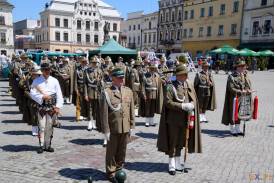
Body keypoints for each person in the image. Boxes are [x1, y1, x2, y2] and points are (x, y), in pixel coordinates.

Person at [157, 64, 202, 175]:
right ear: (178, 75)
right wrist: (182, 106)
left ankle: (178, 163)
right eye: (183, 74)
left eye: (186, 74)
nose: (186, 76)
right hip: (173, 120)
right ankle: (171, 164)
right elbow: (167, 103)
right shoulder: (170, 86)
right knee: (173, 142)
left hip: (185, 119)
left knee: (181, 142)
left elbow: (193, 98)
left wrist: (192, 104)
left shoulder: (187, 85)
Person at [99, 67, 135, 182]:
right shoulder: (107, 93)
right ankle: (110, 172)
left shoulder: (128, 91)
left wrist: (131, 126)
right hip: (113, 127)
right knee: (111, 151)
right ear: (113, 78)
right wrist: (106, 130)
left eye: (122, 77)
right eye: (119, 78)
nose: (122, 80)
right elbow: (103, 113)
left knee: (122, 150)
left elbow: (131, 110)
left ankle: (119, 169)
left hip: (125, 126)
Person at [30, 63, 63, 153]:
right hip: (41, 106)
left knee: (49, 126)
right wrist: (42, 97)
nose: (47, 71)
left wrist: (58, 106)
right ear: (42, 70)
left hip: (52, 107)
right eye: (45, 70)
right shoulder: (36, 81)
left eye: (48, 69)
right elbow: (32, 93)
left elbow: (59, 94)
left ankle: (47, 145)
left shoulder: (55, 80)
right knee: (42, 126)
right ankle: (41, 145)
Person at [221, 60, 252, 136]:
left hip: (243, 97)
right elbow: (231, 88)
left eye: (243, 66)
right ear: (237, 67)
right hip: (234, 98)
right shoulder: (231, 76)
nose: (243, 68)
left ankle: (237, 128)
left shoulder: (245, 76)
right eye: (241, 66)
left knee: (240, 112)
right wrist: (240, 91)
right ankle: (232, 129)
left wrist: (247, 89)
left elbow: (247, 85)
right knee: (233, 113)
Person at [84, 56, 103, 131]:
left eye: (96, 63)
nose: (94, 64)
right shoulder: (87, 71)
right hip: (90, 91)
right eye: (93, 63)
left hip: (98, 91)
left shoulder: (99, 70)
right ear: (91, 63)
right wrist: (85, 94)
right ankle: (89, 122)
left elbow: (102, 82)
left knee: (96, 108)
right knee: (90, 108)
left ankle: (94, 122)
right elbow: (85, 83)